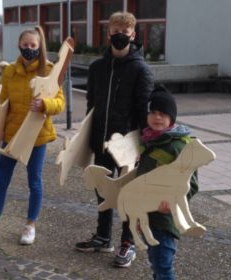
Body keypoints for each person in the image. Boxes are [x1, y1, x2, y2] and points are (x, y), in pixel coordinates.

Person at [0, 26, 65, 248]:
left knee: (35, 182)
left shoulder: (50, 71)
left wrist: (45, 104)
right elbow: (2, 105)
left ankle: (30, 225)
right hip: (12, 136)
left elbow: (60, 103)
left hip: (37, 137)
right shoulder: (10, 72)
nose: (29, 49)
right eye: (25, 45)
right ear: (19, 46)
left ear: (39, 46)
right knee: (1, 182)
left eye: (33, 45)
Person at [75, 11, 153, 268]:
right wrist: (87, 139)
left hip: (129, 144)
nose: (119, 36)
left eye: (125, 32)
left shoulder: (140, 69)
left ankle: (127, 243)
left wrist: (143, 143)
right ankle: (103, 236)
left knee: (128, 194)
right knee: (103, 190)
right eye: (115, 31)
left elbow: (144, 110)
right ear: (107, 34)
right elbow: (91, 106)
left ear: (133, 34)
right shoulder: (97, 67)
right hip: (102, 141)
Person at [136, 86, 198, 280]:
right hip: (147, 214)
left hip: (164, 218)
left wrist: (170, 202)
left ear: (172, 118)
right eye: (153, 112)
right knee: (155, 263)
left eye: (163, 114)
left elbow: (192, 183)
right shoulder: (149, 141)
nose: (157, 117)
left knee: (163, 267)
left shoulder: (178, 146)